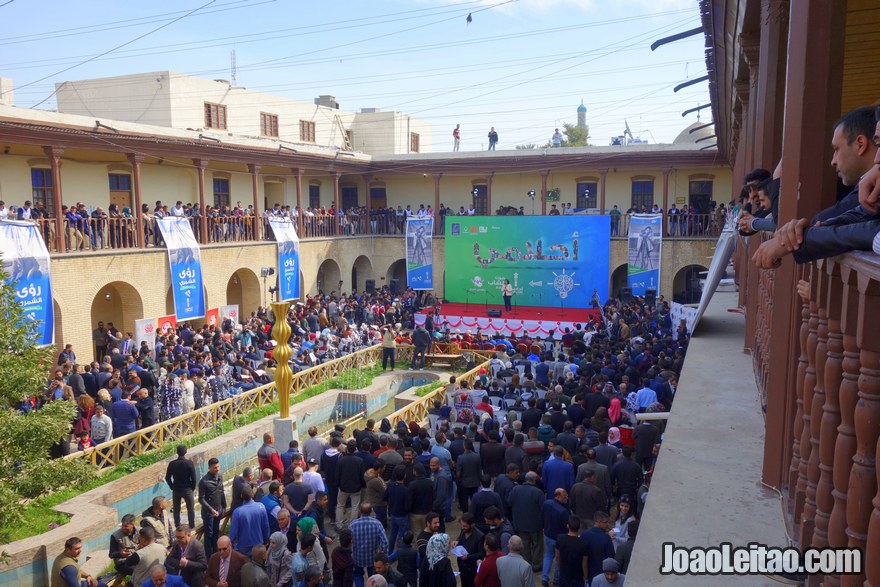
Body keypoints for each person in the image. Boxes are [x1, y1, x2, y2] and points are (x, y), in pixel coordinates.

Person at [506, 472, 544, 572]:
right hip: (535, 525)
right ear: (534, 480)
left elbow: (509, 502)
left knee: (525, 545)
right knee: (537, 545)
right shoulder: (538, 492)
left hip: (520, 523)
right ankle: (536, 565)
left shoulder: (515, 489)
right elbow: (543, 509)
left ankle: (527, 564)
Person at [349, 503, 388, 587]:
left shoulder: (353, 525)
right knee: (373, 578)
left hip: (357, 557)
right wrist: (382, 555)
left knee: (357, 575)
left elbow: (348, 542)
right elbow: (385, 542)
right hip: (372, 558)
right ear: (371, 511)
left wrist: (351, 554)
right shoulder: (377, 523)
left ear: (359, 511)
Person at [229, 487, 270, 557]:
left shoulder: (237, 512)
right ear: (253, 495)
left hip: (243, 546)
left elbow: (233, 532)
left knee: (245, 566)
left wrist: (232, 545)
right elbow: (265, 526)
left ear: (241, 496)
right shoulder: (261, 507)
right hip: (258, 543)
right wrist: (266, 540)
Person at [199, 457, 227, 559]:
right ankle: (209, 556)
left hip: (218, 509)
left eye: (218, 466)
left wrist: (224, 505)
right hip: (209, 513)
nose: (217, 469)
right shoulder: (204, 482)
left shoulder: (219, 476)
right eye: (215, 467)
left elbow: (222, 491)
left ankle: (216, 552)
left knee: (216, 531)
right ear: (209, 468)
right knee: (209, 534)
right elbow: (201, 499)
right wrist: (211, 509)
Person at [165, 444, 197, 529]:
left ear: (177, 452)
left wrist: (172, 487)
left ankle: (177, 526)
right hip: (187, 489)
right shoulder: (189, 463)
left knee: (176, 509)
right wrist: (192, 488)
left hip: (176, 489)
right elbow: (194, 478)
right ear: (185, 452)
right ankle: (191, 526)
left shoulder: (172, 464)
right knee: (190, 509)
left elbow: (167, 478)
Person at [554, 515, 589, 587]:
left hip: (564, 575)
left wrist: (561, 568)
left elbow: (557, 556)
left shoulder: (560, 538)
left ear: (567, 526)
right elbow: (584, 563)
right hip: (577, 577)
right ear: (579, 528)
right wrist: (585, 577)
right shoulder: (583, 544)